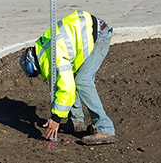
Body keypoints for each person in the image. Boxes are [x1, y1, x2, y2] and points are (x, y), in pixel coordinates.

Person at [19, 10, 116, 145]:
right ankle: (76, 121)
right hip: (89, 31)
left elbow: (67, 87)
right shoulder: (44, 49)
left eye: (38, 73)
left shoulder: (55, 56)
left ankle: (105, 128)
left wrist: (56, 118)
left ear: (36, 66)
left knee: (83, 81)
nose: (41, 76)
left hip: (100, 36)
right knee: (70, 77)